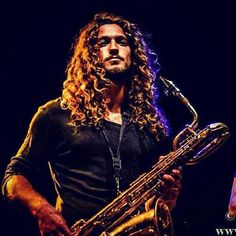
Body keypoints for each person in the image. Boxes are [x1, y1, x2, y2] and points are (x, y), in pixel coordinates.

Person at [1, 12, 182, 235]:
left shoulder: (150, 125)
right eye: (103, 42)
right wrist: (41, 209)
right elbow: (14, 175)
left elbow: (152, 204)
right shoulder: (56, 114)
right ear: (89, 56)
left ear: (133, 54)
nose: (114, 48)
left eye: (122, 42)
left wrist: (166, 199)